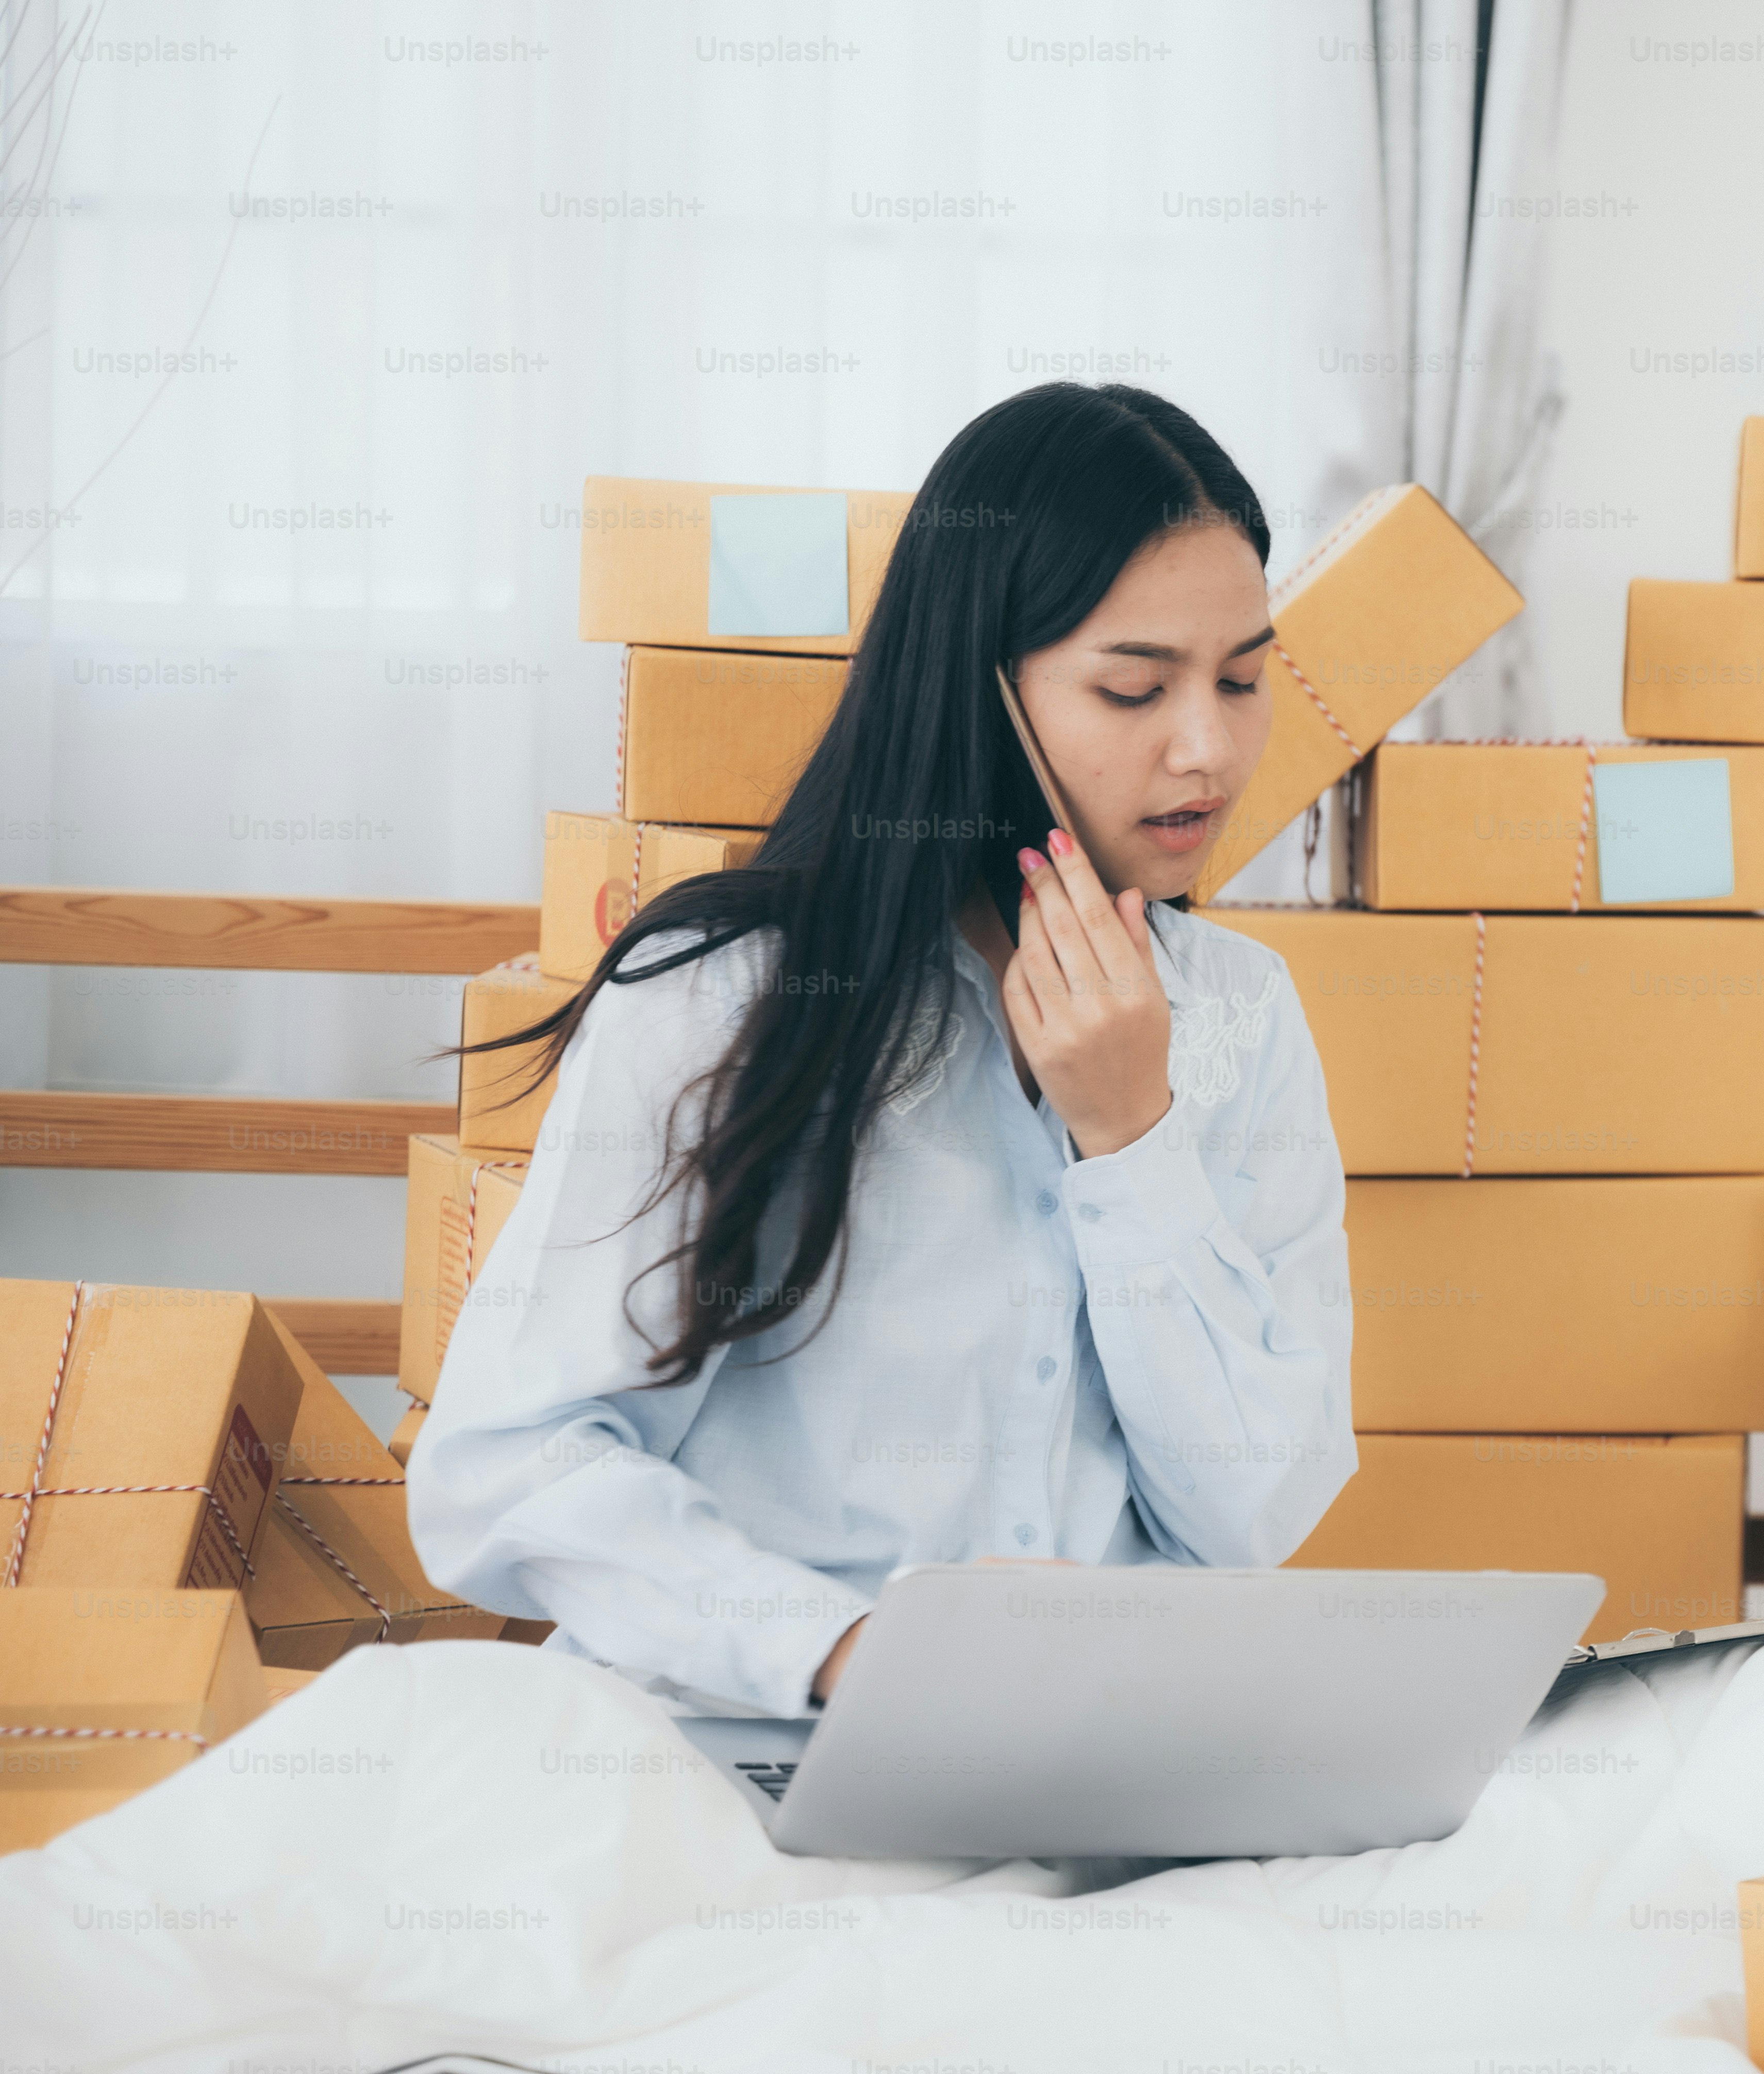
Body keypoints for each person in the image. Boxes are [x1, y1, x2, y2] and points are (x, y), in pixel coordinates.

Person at [411, 384, 1353, 1717]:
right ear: (979, 692)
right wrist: (841, 1659)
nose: (1208, 746)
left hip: (1112, 1771)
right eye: (1136, 687)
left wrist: (1133, 1142)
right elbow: (507, 1466)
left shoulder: (1245, 1017)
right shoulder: (718, 1004)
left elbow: (1250, 1515)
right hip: (769, 1753)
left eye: (1246, 680)